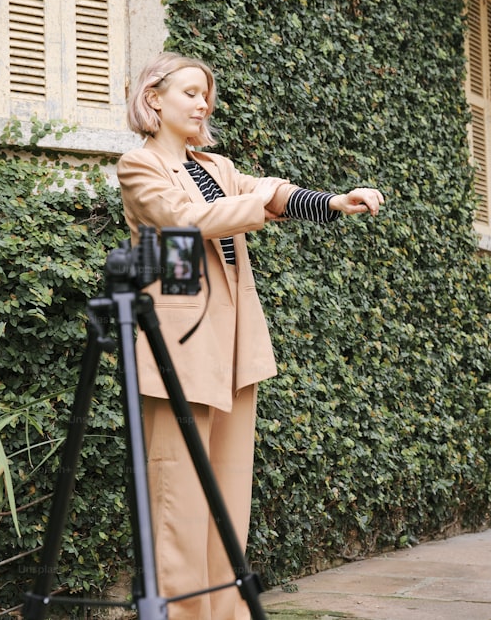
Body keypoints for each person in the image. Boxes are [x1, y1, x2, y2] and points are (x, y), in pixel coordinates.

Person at [117, 52, 384, 620]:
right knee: (181, 505)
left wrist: (332, 203)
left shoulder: (215, 167)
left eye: (205, 94)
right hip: (179, 348)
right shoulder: (137, 167)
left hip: (236, 350)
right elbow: (185, 221)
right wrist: (260, 201)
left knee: (227, 503)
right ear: (154, 98)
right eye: (190, 91)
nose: (202, 102)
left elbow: (273, 191)